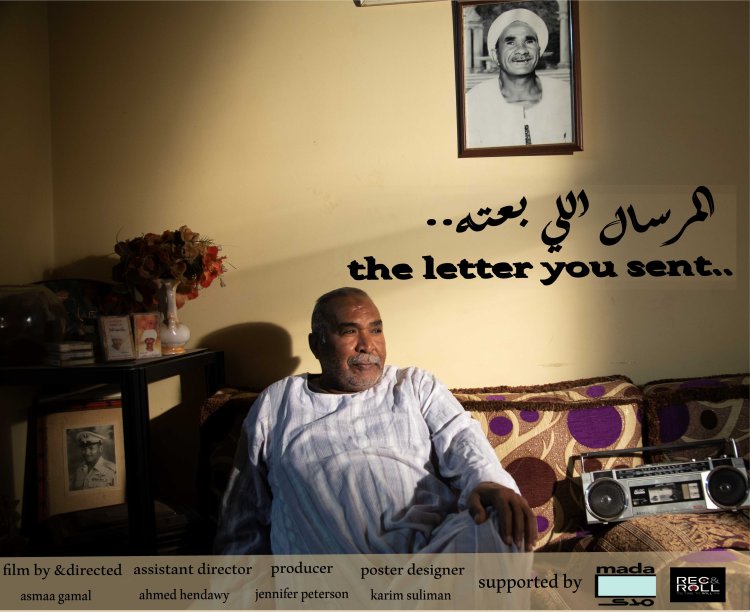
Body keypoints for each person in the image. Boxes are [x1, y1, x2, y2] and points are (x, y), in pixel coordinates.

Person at [215, 287, 537, 555]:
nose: (367, 345)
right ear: (317, 344)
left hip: (432, 561)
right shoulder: (278, 402)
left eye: (376, 330)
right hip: (332, 586)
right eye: (349, 331)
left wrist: (488, 482)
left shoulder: (413, 385)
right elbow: (243, 514)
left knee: (503, 520)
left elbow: (461, 439)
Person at [465, 8, 572, 147]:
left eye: (529, 41)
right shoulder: (475, 100)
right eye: (510, 42)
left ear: (539, 50)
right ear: (495, 55)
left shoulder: (565, 94)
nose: (522, 50)